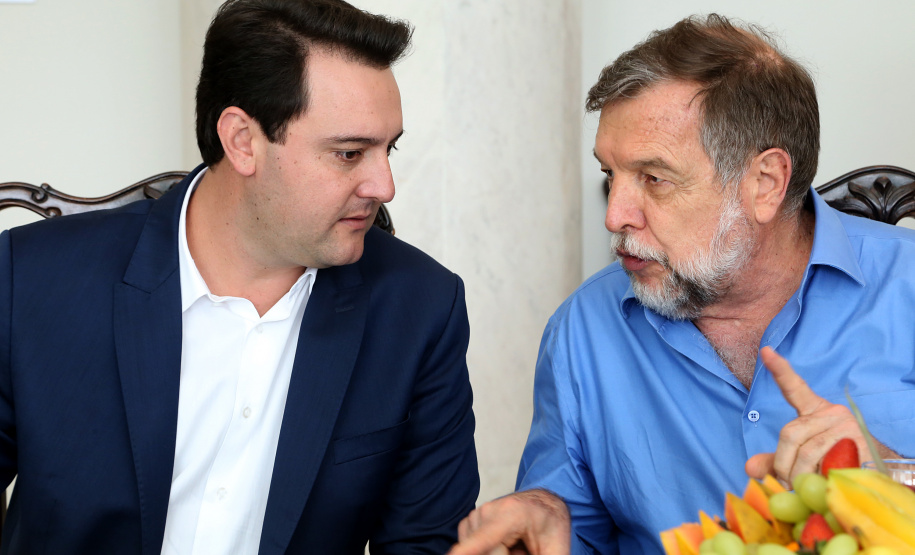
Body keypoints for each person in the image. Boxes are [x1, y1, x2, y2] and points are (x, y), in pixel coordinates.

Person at [0, 0, 478, 553]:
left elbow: (427, 543)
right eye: (350, 153)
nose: (384, 185)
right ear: (242, 141)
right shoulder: (31, 280)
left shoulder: (421, 309)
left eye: (388, 149)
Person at [449, 14, 915, 555]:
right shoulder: (585, 329)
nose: (616, 214)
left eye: (654, 179)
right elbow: (563, 530)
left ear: (765, 184)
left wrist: (896, 477)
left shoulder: (906, 288)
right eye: (610, 175)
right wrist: (546, 515)